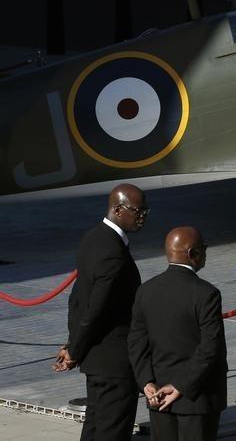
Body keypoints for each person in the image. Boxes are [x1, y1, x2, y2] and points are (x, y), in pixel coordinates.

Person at [53, 184, 149, 441]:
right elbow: (95, 308)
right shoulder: (113, 252)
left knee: (95, 427)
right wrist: (74, 350)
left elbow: (77, 299)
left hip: (97, 360)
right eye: (138, 210)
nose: (143, 216)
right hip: (114, 363)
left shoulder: (93, 238)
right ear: (118, 209)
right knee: (112, 431)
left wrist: (75, 344)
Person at [128, 226, 228, 441]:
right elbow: (210, 348)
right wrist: (180, 386)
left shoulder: (146, 290)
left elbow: (136, 342)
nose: (206, 254)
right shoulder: (206, 294)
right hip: (198, 398)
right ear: (193, 253)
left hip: (158, 397)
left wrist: (146, 382)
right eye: (204, 248)